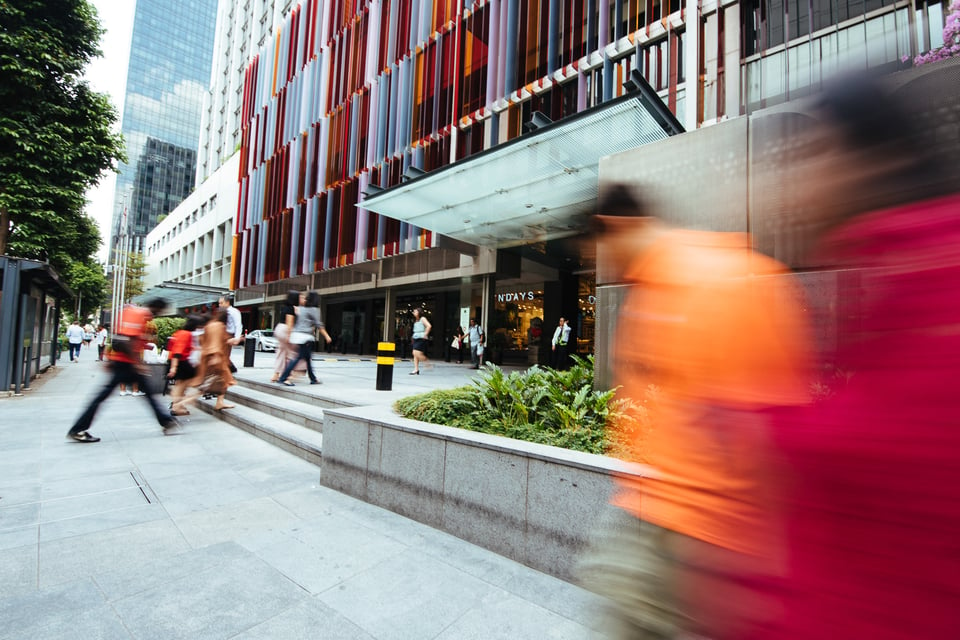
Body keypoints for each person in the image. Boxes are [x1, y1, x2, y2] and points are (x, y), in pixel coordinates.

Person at [767, 76, 960, 640]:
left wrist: (768, 432)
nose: (798, 179)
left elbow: (899, 447)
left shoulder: (931, 273)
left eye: (817, 151)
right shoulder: (882, 271)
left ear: (871, 160)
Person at [578, 184, 812, 640]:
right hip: (658, 512)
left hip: (705, 537)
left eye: (598, 247)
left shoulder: (721, 281)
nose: (601, 260)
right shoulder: (649, 291)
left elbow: (773, 423)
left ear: (616, 228)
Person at [67, 298, 179, 443]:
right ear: (157, 308)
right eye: (161, 311)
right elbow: (126, 340)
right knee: (105, 396)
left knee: (146, 394)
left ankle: (166, 422)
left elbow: (123, 338)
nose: (159, 314)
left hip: (124, 362)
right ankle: (78, 429)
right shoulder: (139, 314)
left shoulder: (137, 314)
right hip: (125, 363)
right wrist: (137, 363)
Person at [277, 291, 332, 386]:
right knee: (298, 357)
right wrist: (327, 336)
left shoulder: (301, 308)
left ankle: (313, 378)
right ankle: (283, 377)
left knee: (307, 358)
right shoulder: (314, 310)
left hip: (297, 335)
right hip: (305, 337)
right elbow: (319, 325)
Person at [166, 315, 205, 416]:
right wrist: (173, 368)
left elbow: (182, 347)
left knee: (180, 384)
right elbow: (178, 351)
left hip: (177, 361)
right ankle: (177, 406)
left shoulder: (180, 332)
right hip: (180, 362)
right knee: (184, 384)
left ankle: (178, 405)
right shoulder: (186, 334)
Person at [271, 290, 306, 383]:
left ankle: (276, 374)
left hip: (279, 329)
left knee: (281, 352)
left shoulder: (286, 307)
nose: (302, 299)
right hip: (286, 330)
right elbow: (289, 322)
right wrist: (289, 336)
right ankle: (288, 374)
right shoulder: (292, 308)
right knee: (293, 353)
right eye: (300, 297)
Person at [219, 294, 243, 373]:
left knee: (224, 354)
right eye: (219, 303)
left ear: (227, 302)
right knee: (221, 353)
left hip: (229, 334)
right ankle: (230, 368)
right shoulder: (221, 312)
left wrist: (237, 337)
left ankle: (229, 370)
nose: (220, 305)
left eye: (221, 303)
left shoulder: (234, 312)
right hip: (222, 334)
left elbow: (238, 324)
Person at [409, 306, 431, 375]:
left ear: (419, 312)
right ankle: (416, 369)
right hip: (416, 338)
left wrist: (425, 334)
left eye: (415, 311)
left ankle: (427, 363)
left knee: (416, 353)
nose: (414, 313)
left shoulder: (422, 319)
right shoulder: (416, 320)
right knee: (415, 355)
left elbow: (429, 326)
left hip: (421, 338)